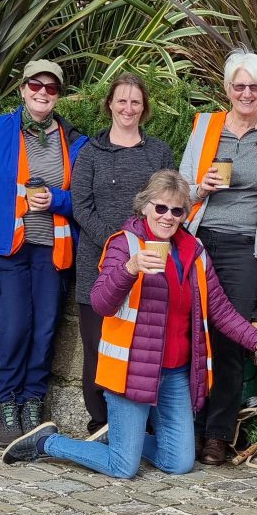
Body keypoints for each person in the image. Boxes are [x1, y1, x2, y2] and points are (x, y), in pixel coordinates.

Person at [0, 171, 257, 478]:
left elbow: (220, 309)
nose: (168, 217)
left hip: (175, 374)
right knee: (123, 467)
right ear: (144, 207)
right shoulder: (125, 244)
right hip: (132, 371)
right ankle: (46, 442)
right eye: (160, 207)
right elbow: (101, 302)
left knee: (179, 463)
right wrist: (131, 268)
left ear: (184, 214)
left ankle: (122, 438)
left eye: (176, 210)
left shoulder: (194, 251)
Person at [179, 48, 257, 466]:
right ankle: (184, 425)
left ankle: (217, 433)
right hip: (200, 239)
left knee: (230, 336)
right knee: (190, 332)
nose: (246, 92)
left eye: (254, 86)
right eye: (239, 85)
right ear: (227, 88)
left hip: (249, 246)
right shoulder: (206, 125)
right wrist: (200, 186)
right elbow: (181, 186)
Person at [0, 60, 88, 447]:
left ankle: (33, 404)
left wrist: (57, 199)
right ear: (22, 89)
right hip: (6, 249)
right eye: (36, 85)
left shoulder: (74, 139)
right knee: (12, 329)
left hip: (52, 250)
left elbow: (81, 199)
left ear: (59, 95)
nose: (42, 93)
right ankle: (7, 407)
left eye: (51, 88)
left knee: (45, 331)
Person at [72, 73, 174, 436]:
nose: (128, 108)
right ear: (110, 104)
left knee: (140, 350)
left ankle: (139, 427)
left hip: (149, 265)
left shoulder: (158, 152)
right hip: (96, 266)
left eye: (135, 102)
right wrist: (119, 241)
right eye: (122, 100)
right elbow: (81, 207)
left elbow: (168, 205)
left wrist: (141, 244)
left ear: (143, 108)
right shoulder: (90, 152)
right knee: (98, 349)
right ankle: (100, 423)